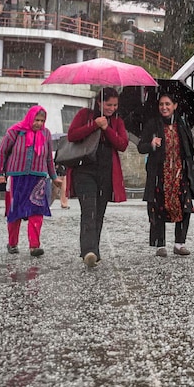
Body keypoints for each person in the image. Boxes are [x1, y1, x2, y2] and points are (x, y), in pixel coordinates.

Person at [67, 87, 129, 267]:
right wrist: (94, 125)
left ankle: (95, 249)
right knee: (89, 211)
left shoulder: (117, 122)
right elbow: (72, 135)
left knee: (99, 213)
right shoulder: (84, 114)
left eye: (115, 105)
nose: (112, 108)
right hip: (84, 170)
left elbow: (122, 144)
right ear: (99, 102)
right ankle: (88, 251)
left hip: (106, 172)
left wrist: (106, 128)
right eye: (108, 104)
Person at [137, 93, 194, 257]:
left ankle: (179, 243)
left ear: (175, 106)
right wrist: (151, 144)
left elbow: (188, 148)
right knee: (158, 207)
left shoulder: (182, 124)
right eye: (161, 104)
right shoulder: (152, 124)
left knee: (184, 207)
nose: (164, 107)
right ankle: (160, 244)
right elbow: (141, 147)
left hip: (180, 173)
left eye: (167, 104)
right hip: (160, 173)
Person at [0, 106, 62, 257]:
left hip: (38, 179)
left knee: (36, 212)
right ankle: (12, 243)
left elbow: (49, 158)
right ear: (30, 118)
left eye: (42, 121)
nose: (39, 123)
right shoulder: (15, 131)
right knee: (15, 211)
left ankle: (34, 246)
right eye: (36, 120)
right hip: (17, 178)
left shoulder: (46, 134)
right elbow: (2, 152)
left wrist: (54, 177)